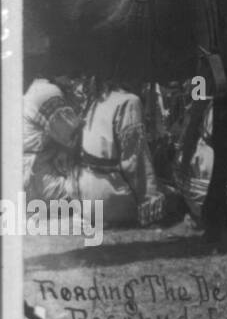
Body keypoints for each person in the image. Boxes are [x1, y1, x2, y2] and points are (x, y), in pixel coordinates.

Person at [75, 77, 168, 226]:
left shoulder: (95, 99)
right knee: (172, 197)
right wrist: (149, 200)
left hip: (86, 194)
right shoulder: (129, 101)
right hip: (109, 197)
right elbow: (135, 162)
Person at [22, 71, 82, 202]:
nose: (75, 83)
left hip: (29, 171)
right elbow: (72, 137)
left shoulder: (37, 87)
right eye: (73, 77)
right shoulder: (48, 92)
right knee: (91, 198)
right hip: (38, 178)